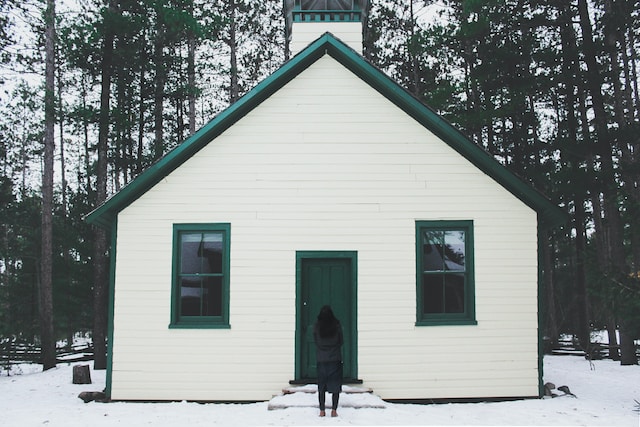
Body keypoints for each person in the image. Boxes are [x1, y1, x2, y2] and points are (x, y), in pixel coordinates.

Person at [313, 305, 343, 417]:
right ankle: (334, 410)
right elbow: (341, 340)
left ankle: (322, 410)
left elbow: (315, 340)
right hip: (335, 358)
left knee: (321, 386)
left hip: (321, 359)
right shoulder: (336, 325)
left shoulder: (317, 326)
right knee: (335, 386)